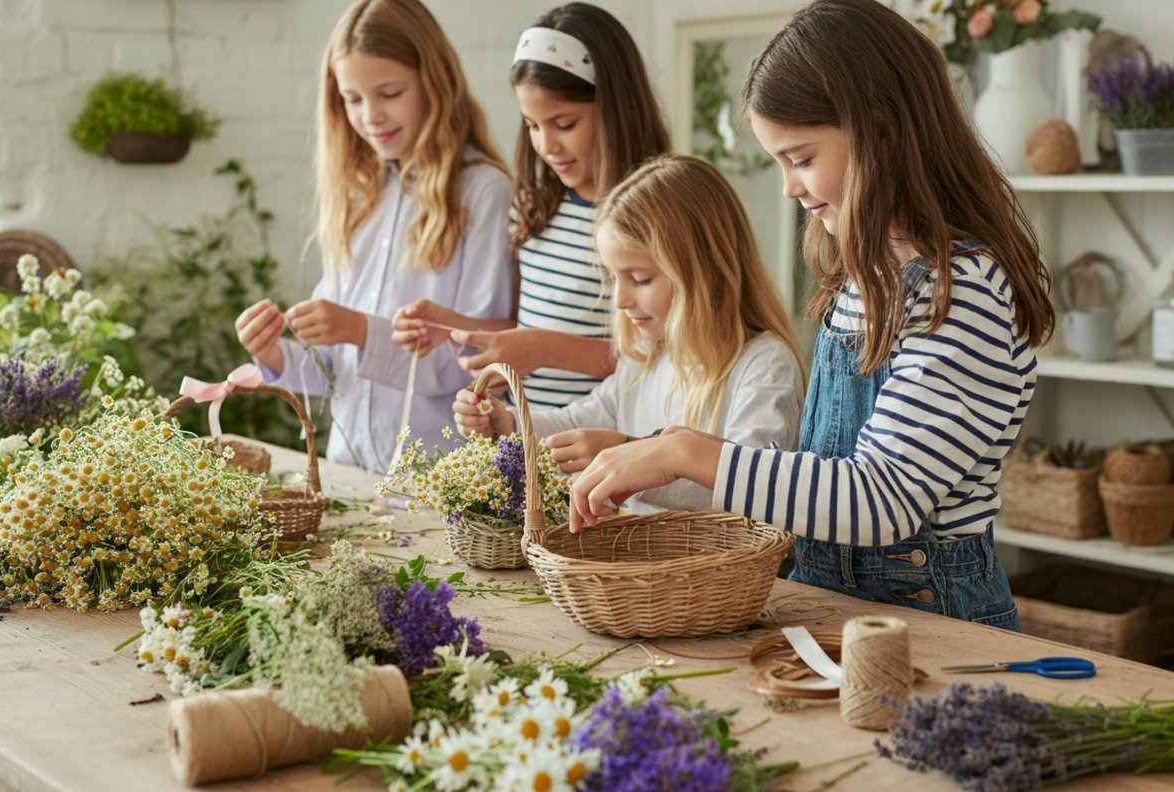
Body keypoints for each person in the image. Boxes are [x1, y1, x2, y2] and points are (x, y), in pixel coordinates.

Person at [567, 0, 1057, 630]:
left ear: (881, 131)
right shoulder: (861, 281)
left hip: (933, 624)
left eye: (800, 158)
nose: (788, 188)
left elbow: (881, 499)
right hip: (829, 605)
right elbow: (817, 479)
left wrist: (685, 452)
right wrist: (668, 451)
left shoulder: (961, 293)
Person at [233, 0, 514, 473]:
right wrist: (274, 353)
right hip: (351, 471)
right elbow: (334, 369)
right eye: (353, 99)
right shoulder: (359, 196)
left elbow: (481, 362)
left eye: (389, 92)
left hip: (442, 482)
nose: (370, 116)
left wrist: (362, 330)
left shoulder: (483, 192)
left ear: (434, 82)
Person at [454, 155, 804, 514]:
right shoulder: (648, 356)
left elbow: (756, 487)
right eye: (614, 278)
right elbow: (578, 422)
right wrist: (509, 424)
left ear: (703, 271)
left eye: (639, 279)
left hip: (719, 569)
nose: (620, 300)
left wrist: (628, 450)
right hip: (642, 567)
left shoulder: (765, 366)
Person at [391, 2, 670, 411]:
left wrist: (546, 349)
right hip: (528, 441)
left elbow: (667, 354)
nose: (546, 145)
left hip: (606, 446)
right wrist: (454, 328)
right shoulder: (533, 208)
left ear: (615, 109)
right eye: (532, 125)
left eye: (564, 124)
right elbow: (523, 332)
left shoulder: (657, 216)